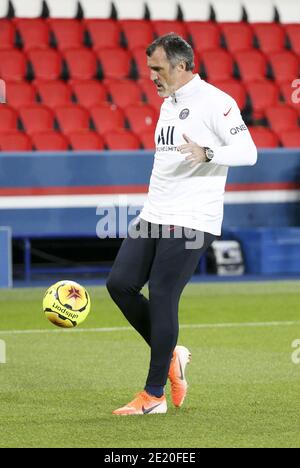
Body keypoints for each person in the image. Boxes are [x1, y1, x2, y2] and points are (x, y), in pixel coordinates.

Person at [106, 33, 257, 415]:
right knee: (120, 284)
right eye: (150, 70)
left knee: (162, 293)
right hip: (155, 212)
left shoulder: (216, 102)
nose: (152, 77)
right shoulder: (169, 103)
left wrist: (208, 152)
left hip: (192, 217)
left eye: (158, 69)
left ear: (181, 65)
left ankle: (154, 395)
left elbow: (248, 152)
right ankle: (172, 355)